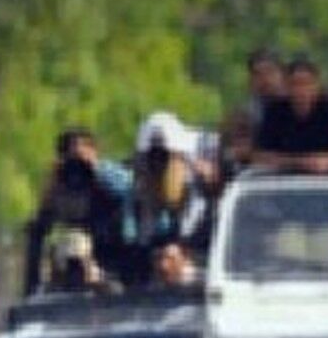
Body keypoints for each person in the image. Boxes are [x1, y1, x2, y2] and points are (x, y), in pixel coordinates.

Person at [24, 127, 135, 295]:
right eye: (69, 160)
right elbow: (38, 229)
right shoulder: (59, 187)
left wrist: (97, 169)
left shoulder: (111, 189)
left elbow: (131, 189)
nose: (77, 175)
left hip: (116, 277)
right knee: (70, 243)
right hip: (64, 290)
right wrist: (51, 185)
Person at [131, 111, 214, 260]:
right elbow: (147, 212)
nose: (157, 163)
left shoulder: (193, 173)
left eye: (162, 157)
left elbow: (194, 208)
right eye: (152, 157)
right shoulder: (145, 173)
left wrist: (183, 243)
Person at [254, 57, 328, 173]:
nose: (301, 90)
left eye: (306, 83)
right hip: (282, 181)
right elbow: (260, 155)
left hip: (326, 181)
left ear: (317, 86)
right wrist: (300, 163)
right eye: (295, 84)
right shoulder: (275, 111)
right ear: (286, 87)